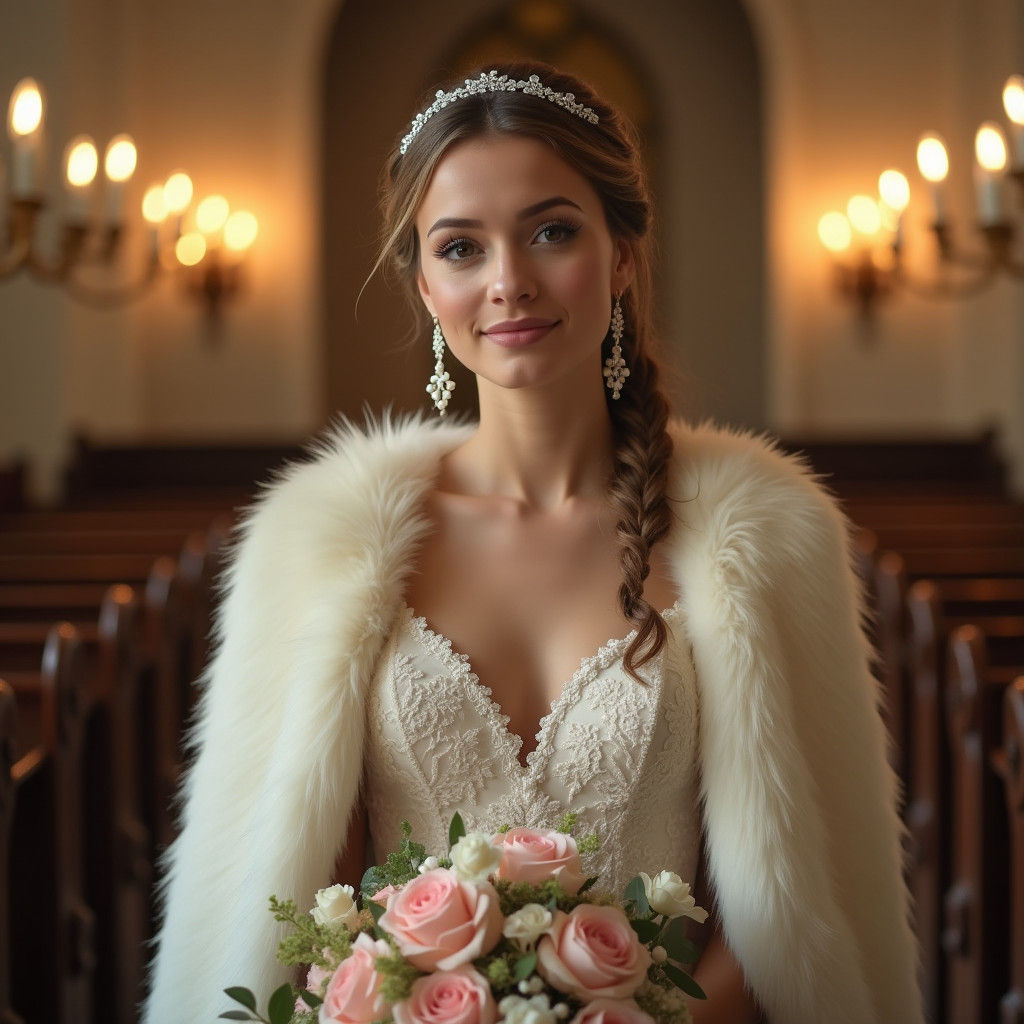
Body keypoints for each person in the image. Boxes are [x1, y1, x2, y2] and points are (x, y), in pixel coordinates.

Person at [142, 62, 923, 1024]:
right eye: (461, 248)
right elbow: (299, 912)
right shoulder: (315, 549)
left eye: (552, 232)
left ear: (624, 254)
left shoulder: (765, 539)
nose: (509, 283)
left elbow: (789, 919)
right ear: (426, 286)